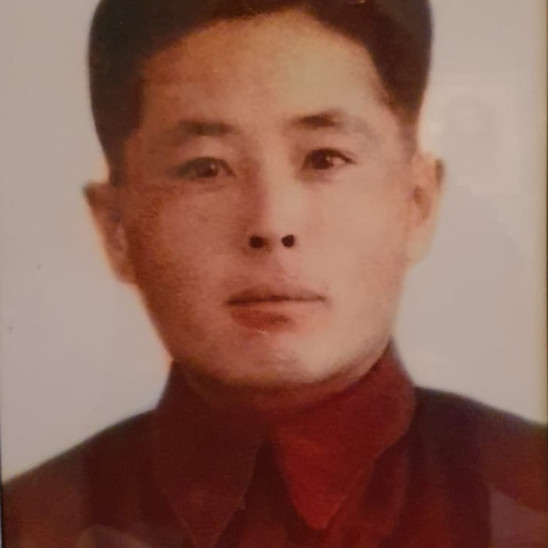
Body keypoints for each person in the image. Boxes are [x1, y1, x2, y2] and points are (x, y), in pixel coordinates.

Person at [3, 0, 546, 546]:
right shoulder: (29, 524)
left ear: (417, 203)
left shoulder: (531, 493)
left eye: (325, 158)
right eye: (205, 168)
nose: (271, 224)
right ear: (117, 227)